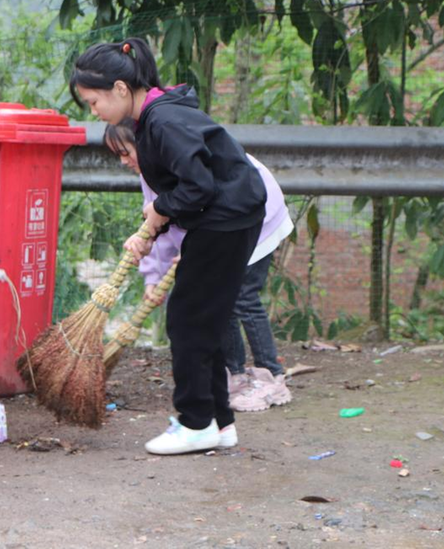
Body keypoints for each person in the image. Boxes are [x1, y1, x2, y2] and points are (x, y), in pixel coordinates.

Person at [70, 37, 265, 455]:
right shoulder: (157, 117)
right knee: (204, 322)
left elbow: (197, 187)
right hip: (227, 219)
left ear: (120, 89)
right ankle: (219, 422)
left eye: (93, 102)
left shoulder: (163, 122)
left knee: (187, 320)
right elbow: (187, 187)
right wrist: (156, 223)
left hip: (225, 222)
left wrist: (160, 209)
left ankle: (195, 422)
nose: (94, 112)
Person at [104, 121, 294, 412]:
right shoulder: (152, 174)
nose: (123, 161)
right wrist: (153, 279)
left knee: (242, 296)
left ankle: (272, 375)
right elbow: (159, 221)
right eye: (117, 154)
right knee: (221, 298)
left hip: (258, 218)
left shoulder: (178, 158)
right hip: (227, 223)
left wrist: (201, 249)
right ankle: (235, 374)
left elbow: (203, 198)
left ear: (144, 144)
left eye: (125, 152)